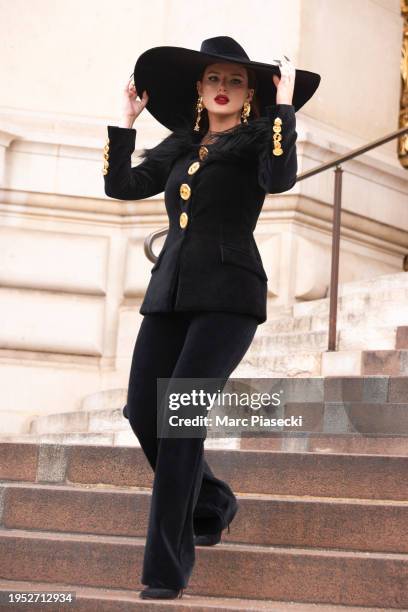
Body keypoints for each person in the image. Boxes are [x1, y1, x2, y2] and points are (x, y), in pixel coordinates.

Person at [103, 36, 320, 600]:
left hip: (228, 298)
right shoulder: (179, 148)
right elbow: (121, 186)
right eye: (213, 80)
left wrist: (284, 109)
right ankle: (214, 502)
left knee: (179, 419)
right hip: (169, 295)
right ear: (199, 90)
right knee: (141, 411)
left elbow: (279, 180)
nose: (222, 89)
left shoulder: (257, 143)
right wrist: (125, 122)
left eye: (235, 81)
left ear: (250, 93)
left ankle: (164, 572)